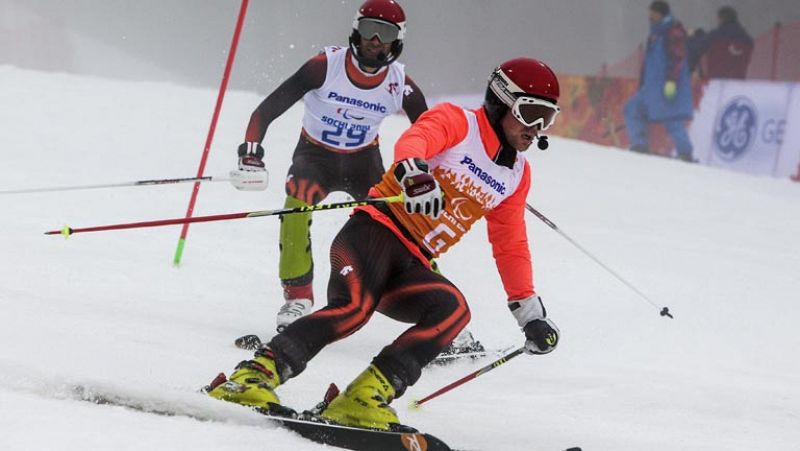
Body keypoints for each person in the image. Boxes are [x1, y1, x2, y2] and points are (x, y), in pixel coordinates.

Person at [207, 57, 562, 431]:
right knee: (354, 309)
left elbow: (511, 244)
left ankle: (361, 399)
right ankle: (250, 378)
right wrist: (414, 173)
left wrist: (530, 314)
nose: (536, 128)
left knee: (453, 310)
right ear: (501, 102)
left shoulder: (516, 175)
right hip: (373, 233)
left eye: (547, 118)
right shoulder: (461, 123)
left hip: (412, 263)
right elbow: (416, 139)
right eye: (530, 112)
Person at [229, 0, 428, 331]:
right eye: (368, 30)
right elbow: (266, 110)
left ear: (398, 40)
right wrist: (251, 153)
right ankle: (297, 298)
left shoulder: (401, 85)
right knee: (297, 202)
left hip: (364, 161)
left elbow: (430, 132)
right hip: (315, 157)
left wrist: (442, 169)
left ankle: (436, 305)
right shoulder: (325, 66)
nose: (375, 40)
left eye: (386, 33)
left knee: (398, 227)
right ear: (355, 30)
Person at [623, 1, 694, 161]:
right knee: (632, 108)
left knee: (672, 118)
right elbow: (648, 63)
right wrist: (642, 85)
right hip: (651, 87)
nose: (649, 16)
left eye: (652, 13)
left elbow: (677, 58)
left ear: (661, 14)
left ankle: (685, 153)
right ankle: (639, 144)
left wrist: (672, 81)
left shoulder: (672, 32)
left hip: (667, 85)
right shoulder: (654, 34)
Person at [688, 6, 753, 79]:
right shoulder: (747, 40)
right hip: (738, 79)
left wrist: (691, 39)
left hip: (714, 80)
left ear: (721, 19)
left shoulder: (715, 36)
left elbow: (696, 49)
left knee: (692, 49)